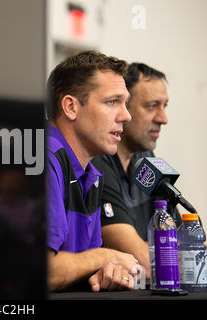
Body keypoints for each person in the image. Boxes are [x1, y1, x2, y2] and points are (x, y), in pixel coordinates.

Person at [46, 50, 140, 292]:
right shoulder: (44, 157)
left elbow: (83, 265)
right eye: (112, 102)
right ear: (71, 107)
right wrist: (104, 257)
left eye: (125, 103)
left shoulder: (92, 172)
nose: (126, 116)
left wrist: (108, 269)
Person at [91, 63, 176, 280]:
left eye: (164, 106)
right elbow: (144, 262)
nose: (163, 119)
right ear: (123, 109)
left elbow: (183, 240)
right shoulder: (98, 161)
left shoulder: (146, 158)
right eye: (152, 106)